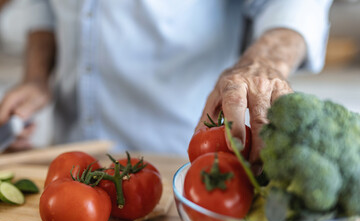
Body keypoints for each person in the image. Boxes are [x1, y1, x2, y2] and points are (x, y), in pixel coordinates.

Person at [0, 0, 332, 166]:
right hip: (67, 157)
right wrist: (36, 77)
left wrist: (266, 61)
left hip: (186, 161)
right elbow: (40, 4)